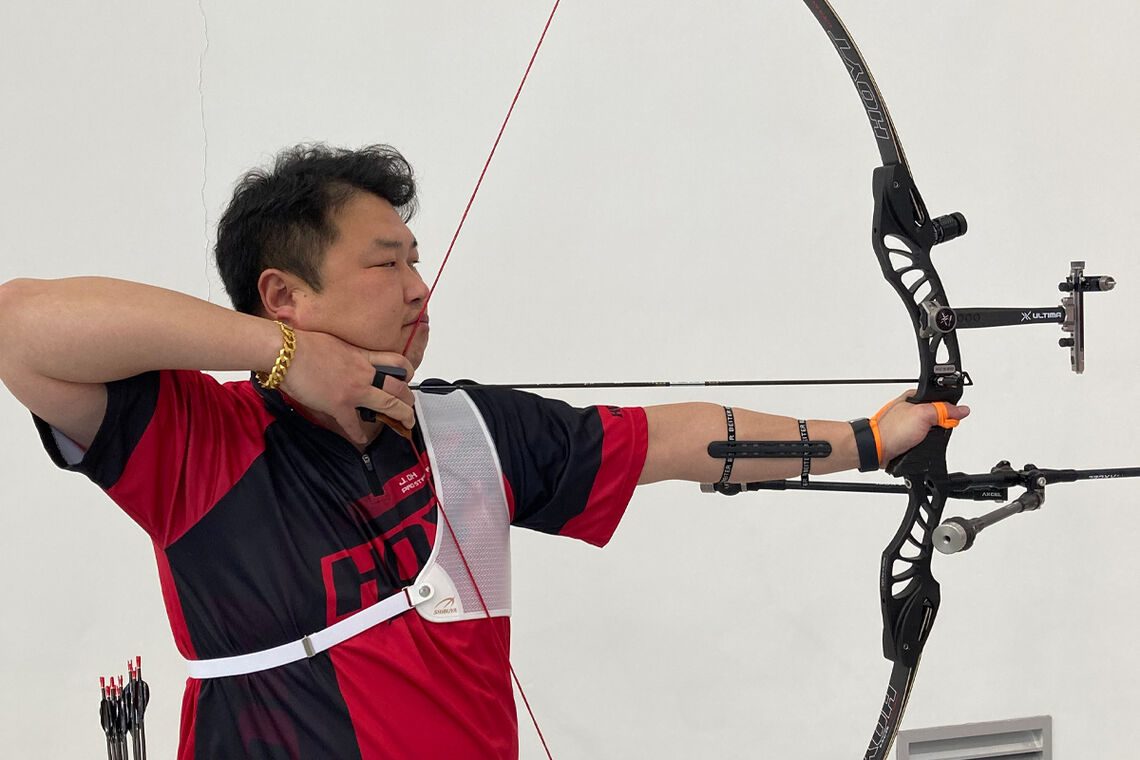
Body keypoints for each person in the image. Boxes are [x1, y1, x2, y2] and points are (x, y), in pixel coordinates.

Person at [0, 143, 968, 759]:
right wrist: (281, 359)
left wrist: (871, 439)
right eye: (388, 263)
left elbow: (673, 440)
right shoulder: (204, 442)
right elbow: (21, 327)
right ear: (285, 294)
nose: (421, 286)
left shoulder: (465, 431)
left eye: (418, 258)